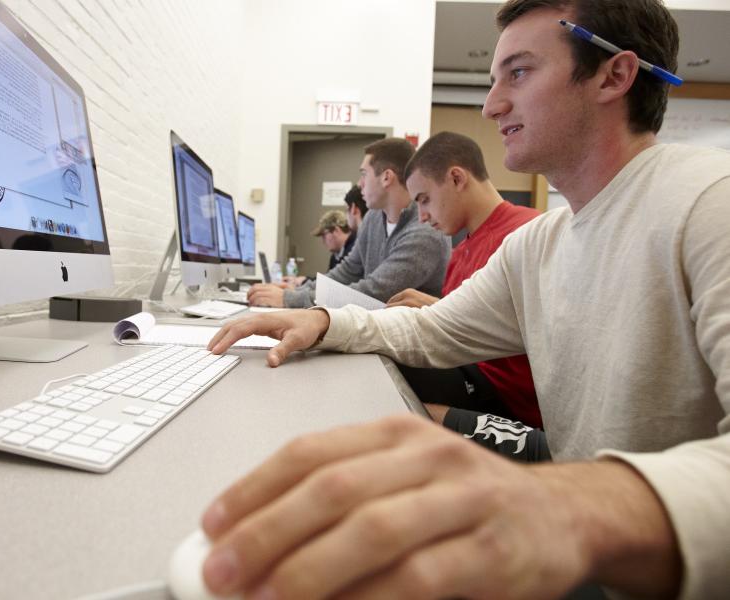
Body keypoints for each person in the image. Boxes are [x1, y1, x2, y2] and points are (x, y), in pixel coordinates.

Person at [202, 1, 730, 598]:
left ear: (614, 75)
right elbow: (430, 331)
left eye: (519, 73)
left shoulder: (708, 203)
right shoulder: (539, 245)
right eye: (493, 81)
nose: (492, 105)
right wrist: (319, 319)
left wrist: (571, 506)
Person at [390, 131, 545, 444]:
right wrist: (438, 308)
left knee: (392, 365)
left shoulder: (529, 234)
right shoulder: (461, 251)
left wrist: (436, 310)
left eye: (424, 200)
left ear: (457, 178)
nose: (422, 217)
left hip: (511, 400)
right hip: (473, 374)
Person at [247, 138, 450, 308]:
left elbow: (373, 292)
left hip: (405, 348)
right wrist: (300, 291)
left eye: (364, 174)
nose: (360, 183)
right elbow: (347, 272)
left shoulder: (424, 232)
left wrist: (291, 300)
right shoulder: (373, 217)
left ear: (387, 177)